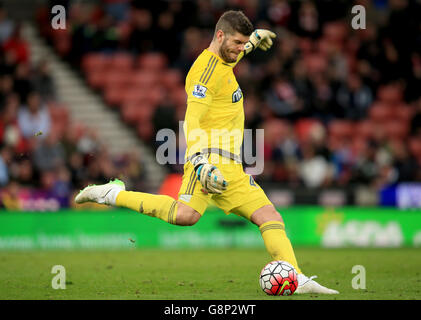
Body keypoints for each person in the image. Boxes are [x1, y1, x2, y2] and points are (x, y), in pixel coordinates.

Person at [75, 10, 338, 294]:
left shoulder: (227, 58)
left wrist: (254, 39)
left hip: (233, 167)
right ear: (220, 35)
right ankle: (112, 193)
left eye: (243, 44)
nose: (240, 49)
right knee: (185, 216)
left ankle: (296, 278)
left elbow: (235, 53)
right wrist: (199, 162)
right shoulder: (204, 72)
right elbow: (193, 119)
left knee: (270, 216)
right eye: (237, 42)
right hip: (209, 158)